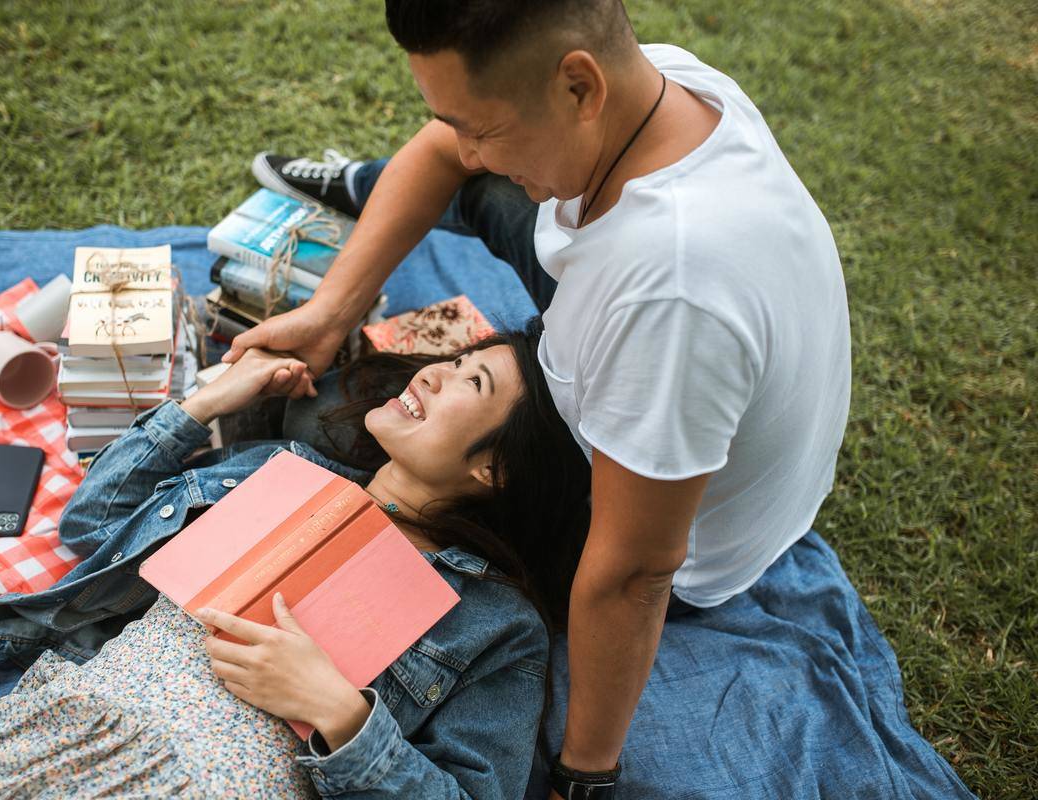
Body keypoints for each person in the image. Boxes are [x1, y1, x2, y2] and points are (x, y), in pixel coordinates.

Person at [226, 1, 852, 796]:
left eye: (480, 126)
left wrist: (583, 776)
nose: (465, 146)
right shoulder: (661, 89)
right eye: (453, 119)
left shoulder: (669, 300)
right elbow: (445, 155)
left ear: (578, 87)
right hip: (661, 360)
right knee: (484, 193)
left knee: (325, 420)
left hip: (680, 538)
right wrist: (330, 313)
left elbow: (636, 572)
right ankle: (360, 184)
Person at [0, 324, 592, 799]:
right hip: (68, 728)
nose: (437, 374)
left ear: (497, 470)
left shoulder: (497, 621)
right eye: (456, 360)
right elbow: (95, 522)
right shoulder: (281, 472)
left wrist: (342, 715)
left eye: (472, 384)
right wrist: (203, 405)